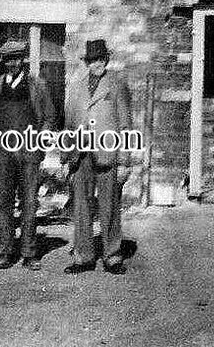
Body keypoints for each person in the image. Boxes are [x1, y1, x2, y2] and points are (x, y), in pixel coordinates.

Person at [0, 39, 56, 271]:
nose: (13, 64)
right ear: (4, 62)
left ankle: (29, 252)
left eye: (17, 59)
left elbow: (50, 117)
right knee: (4, 203)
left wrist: (42, 138)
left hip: (29, 153)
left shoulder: (37, 85)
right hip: (2, 154)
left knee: (29, 202)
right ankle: (6, 251)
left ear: (23, 60)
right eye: (9, 60)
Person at [62, 39, 134, 275]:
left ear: (106, 60)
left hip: (108, 154)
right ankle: (83, 257)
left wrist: (125, 161)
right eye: (93, 60)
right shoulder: (76, 87)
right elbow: (69, 124)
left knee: (109, 206)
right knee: (81, 207)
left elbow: (126, 125)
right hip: (81, 155)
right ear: (87, 63)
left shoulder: (117, 85)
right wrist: (65, 158)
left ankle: (112, 256)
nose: (97, 64)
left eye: (101, 59)